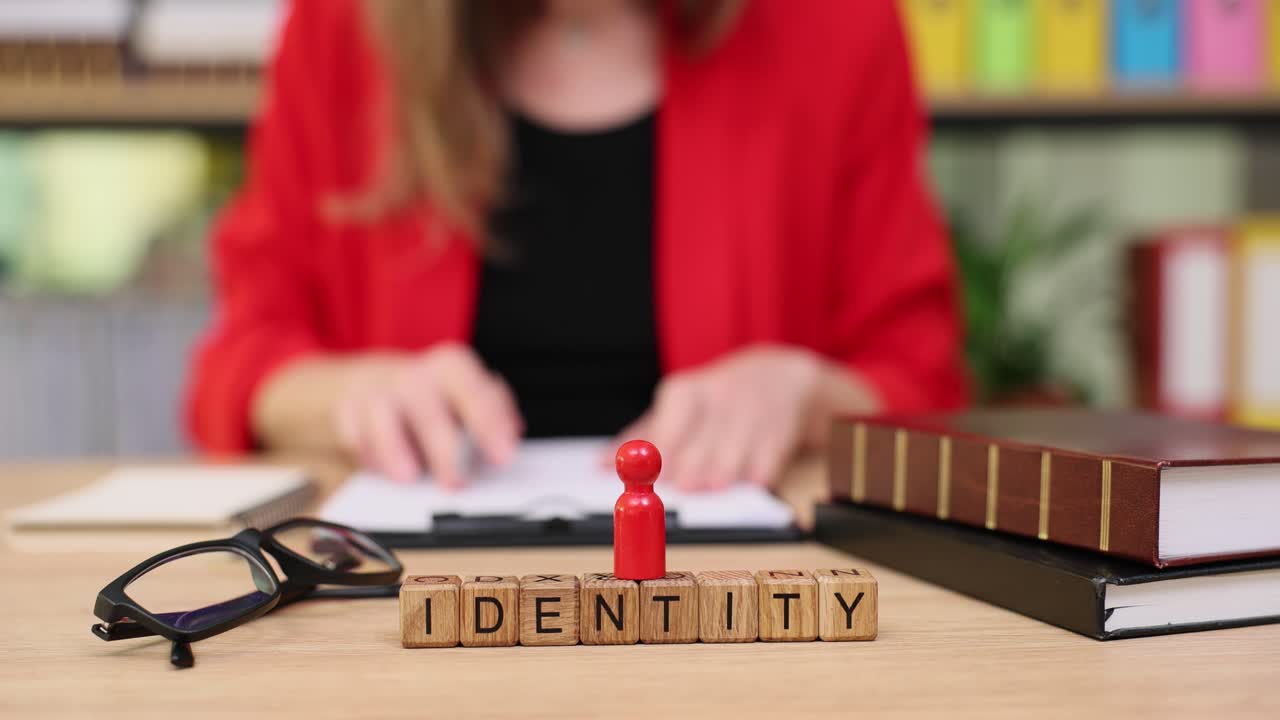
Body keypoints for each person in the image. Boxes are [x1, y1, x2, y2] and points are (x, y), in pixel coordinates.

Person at [185, 0, 968, 490]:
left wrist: (805, 396)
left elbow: (922, 375)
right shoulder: (342, 27)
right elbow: (241, 362)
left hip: (738, 611)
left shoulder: (838, 23)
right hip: (398, 609)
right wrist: (353, 395)